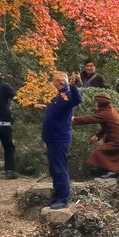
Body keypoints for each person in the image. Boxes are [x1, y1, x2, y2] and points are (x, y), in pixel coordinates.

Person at [40, 72, 82, 209]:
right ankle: (57, 195)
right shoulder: (55, 97)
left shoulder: (67, 95)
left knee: (59, 168)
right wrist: (45, 138)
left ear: (60, 82)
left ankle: (63, 198)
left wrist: (73, 86)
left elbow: (77, 99)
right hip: (51, 138)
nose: (52, 83)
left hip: (59, 137)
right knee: (53, 168)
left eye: (53, 81)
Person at [74, 93, 119, 178]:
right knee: (110, 154)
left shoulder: (107, 113)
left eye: (96, 102)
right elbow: (109, 125)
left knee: (99, 152)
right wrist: (98, 135)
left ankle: (111, 172)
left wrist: (73, 119)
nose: (95, 104)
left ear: (102, 102)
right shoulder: (110, 110)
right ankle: (112, 171)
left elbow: (90, 119)